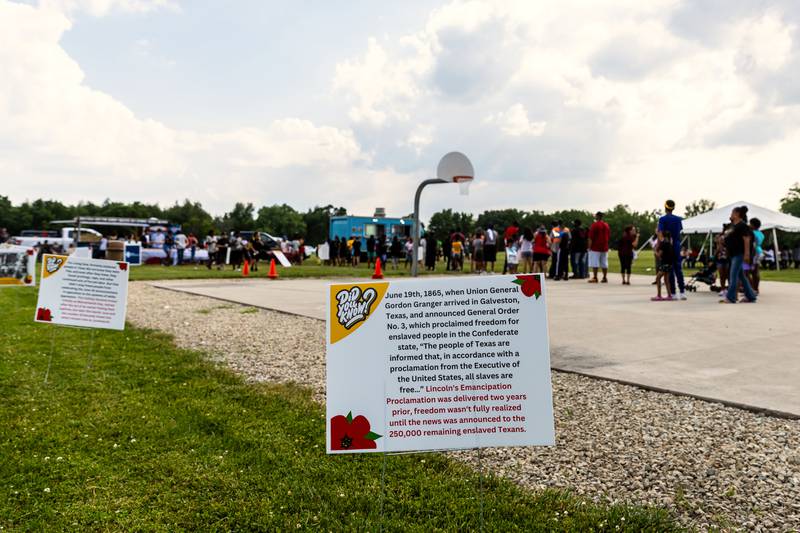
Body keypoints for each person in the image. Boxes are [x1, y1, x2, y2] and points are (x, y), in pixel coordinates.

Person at [721, 206, 757, 304]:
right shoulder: (733, 226)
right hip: (732, 254)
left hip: (739, 254)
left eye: (732, 213)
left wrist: (747, 254)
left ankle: (731, 297)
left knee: (733, 275)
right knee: (741, 276)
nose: (731, 214)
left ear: (737, 214)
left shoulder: (742, 225)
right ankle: (751, 296)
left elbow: (746, 239)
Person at [657, 200, 686, 300]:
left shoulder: (662, 219)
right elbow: (680, 230)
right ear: (673, 208)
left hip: (667, 245)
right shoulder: (678, 219)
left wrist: (661, 245)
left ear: (665, 208)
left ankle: (673, 293)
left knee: (669, 269)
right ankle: (682, 292)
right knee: (678, 268)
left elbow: (660, 232)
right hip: (677, 244)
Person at [587, 212, 610, 283]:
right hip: (605, 246)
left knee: (595, 262)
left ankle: (595, 277)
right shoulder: (606, 225)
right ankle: (605, 277)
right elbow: (608, 235)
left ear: (597, 216)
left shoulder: (594, 225)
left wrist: (589, 247)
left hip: (595, 247)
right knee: (604, 263)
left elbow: (591, 237)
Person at [652, 231, 674, 301]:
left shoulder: (663, 243)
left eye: (659, 232)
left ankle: (659, 295)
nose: (658, 233)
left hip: (665, 264)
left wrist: (655, 250)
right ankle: (669, 295)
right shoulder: (669, 243)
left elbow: (659, 255)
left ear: (662, 234)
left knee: (658, 278)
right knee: (666, 280)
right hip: (669, 263)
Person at [749, 218, 764, 293]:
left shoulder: (752, 233)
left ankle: (753, 288)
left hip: (754, 252)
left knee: (747, 271)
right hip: (760, 251)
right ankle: (756, 288)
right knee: (756, 271)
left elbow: (753, 244)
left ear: (753, 225)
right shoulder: (761, 233)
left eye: (750, 223)